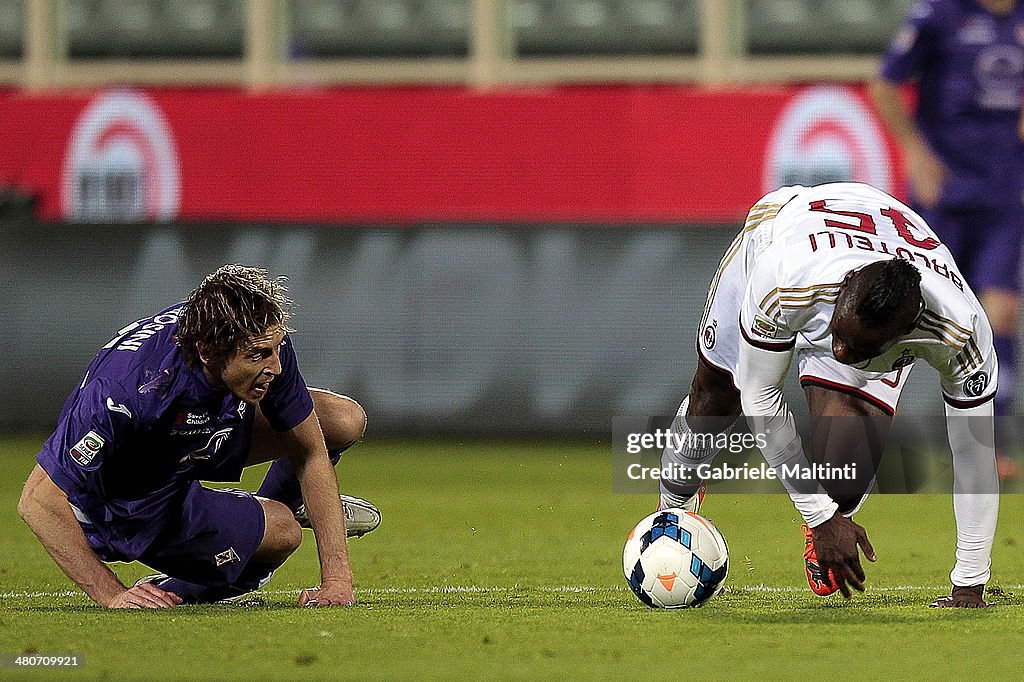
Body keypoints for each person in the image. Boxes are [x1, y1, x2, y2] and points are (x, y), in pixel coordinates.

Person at [659, 182, 999, 607]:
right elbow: (761, 398)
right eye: (838, 337)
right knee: (716, 398)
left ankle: (829, 509)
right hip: (781, 232)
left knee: (846, 475)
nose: (838, 352)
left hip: (861, 298)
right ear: (848, 286)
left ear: (905, 335)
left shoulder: (960, 332)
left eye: (855, 350)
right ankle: (670, 516)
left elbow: (974, 455)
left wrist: (969, 582)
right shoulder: (785, 278)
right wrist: (819, 517)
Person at [18, 265, 381, 608]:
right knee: (284, 532)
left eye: (276, 348)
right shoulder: (125, 390)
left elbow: (311, 452)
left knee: (342, 420)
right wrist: (111, 593)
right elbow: (37, 501)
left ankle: (285, 506)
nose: (276, 366)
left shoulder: (256, 337)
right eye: (258, 355)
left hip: (200, 436)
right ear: (207, 351)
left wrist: (337, 580)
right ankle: (222, 563)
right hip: (132, 502)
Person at [868, 0, 1024, 479]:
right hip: (944, 194)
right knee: (914, 317)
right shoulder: (937, 15)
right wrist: (914, 151)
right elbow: (884, 83)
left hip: (1004, 191)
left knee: (999, 313)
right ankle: (860, 434)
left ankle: (986, 447)